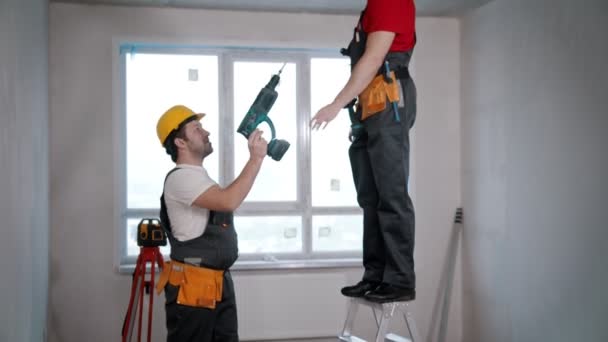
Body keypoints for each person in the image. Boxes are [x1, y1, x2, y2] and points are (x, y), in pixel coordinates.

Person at [310, 0, 417, 303]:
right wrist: (356, 113)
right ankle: (376, 276)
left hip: (388, 99)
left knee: (391, 195)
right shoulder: (371, 8)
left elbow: (372, 60)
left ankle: (399, 280)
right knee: (371, 198)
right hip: (370, 106)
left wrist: (335, 104)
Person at [154, 104, 267, 341]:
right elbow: (228, 201)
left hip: (217, 281)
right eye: (196, 129)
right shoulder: (181, 178)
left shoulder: (199, 177)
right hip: (192, 286)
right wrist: (256, 159)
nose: (205, 132)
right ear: (180, 143)